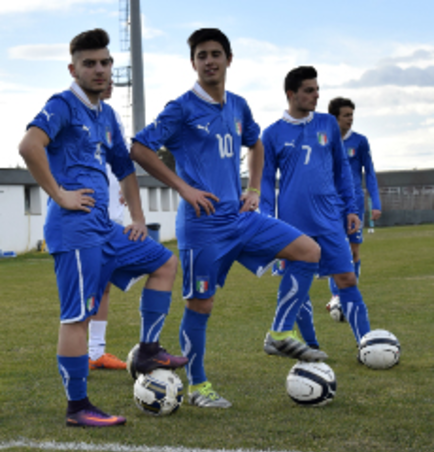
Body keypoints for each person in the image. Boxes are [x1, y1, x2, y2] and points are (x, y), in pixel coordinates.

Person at [130, 29, 327, 410]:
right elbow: (139, 147)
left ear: (229, 59)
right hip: (202, 226)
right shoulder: (182, 108)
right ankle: (198, 385)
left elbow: (256, 143)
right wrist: (183, 188)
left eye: (215, 53)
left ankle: (280, 331)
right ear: (193, 63)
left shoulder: (238, 105)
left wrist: (253, 188)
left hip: (240, 219)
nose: (209, 61)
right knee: (200, 305)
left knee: (308, 251)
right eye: (201, 55)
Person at [18, 29, 187, 427]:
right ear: (73, 68)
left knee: (164, 263)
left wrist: (139, 220)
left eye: (105, 62)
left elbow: (125, 166)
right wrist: (60, 194)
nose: (99, 70)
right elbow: (29, 147)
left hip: (106, 228)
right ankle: (78, 408)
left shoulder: (107, 114)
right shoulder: (62, 105)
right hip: (75, 231)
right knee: (77, 316)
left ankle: (146, 350)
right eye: (90, 63)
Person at [260, 66, 371, 352]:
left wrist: (351, 208)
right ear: (291, 94)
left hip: (330, 218)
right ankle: (310, 345)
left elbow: (342, 170)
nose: (316, 95)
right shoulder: (271, 134)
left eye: (317, 89)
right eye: (309, 90)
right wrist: (264, 223)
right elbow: (264, 180)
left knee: (346, 277)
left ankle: (367, 344)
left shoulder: (327, 124)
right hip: (292, 224)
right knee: (299, 288)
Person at [325, 97, 382, 312]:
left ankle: (349, 293)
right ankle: (337, 296)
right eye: (346, 115)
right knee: (334, 250)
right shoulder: (324, 141)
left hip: (354, 204)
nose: (351, 119)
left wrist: (375, 202)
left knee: (353, 252)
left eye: (352, 115)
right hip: (330, 203)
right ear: (335, 118)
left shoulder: (360, 141)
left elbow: (370, 172)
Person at [88, 78, 127, 370]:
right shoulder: (78, 116)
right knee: (88, 287)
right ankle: (85, 353)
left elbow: (119, 162)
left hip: (114, 214)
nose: (109, 82)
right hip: (90, 218)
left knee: (104, 287)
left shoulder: (111, 117)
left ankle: (96, 351)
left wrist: (126, 188)